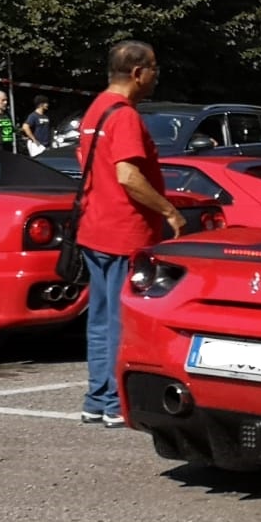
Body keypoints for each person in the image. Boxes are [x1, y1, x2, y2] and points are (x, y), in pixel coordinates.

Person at [74, 39, 186, 427]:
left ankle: (96, 397)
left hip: (94, 228)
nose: (157, 76)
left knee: (101, 319)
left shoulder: (95, 110)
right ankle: (114, 404)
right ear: (138, 73)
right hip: (125, 232)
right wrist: (169, 211)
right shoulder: (124, 117)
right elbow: (127, 175)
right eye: (154, 68)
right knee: (122, 320)